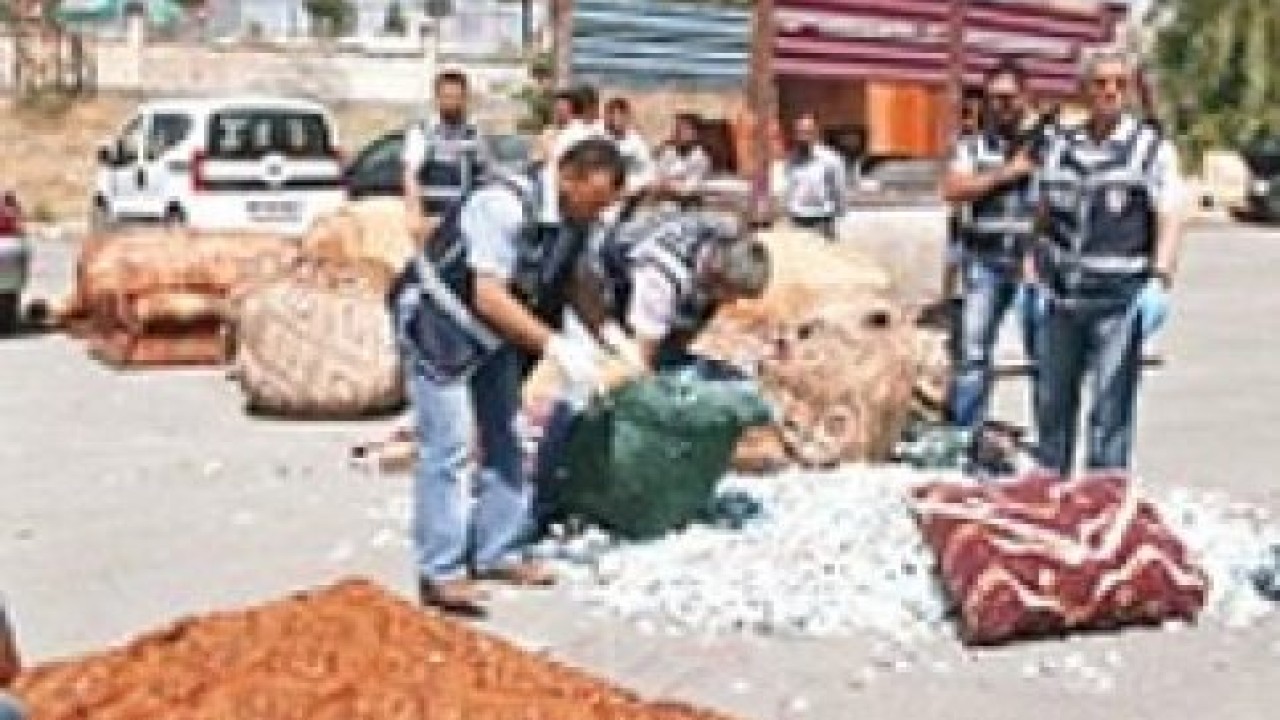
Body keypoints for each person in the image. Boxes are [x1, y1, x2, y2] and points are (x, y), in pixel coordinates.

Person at [392, 138, 629, 617]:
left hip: (491, 334)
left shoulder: (575, 218)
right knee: (450, 444)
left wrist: (610, 334)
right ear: (568, 177)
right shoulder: (503, 204)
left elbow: (576, 280)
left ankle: (497, 550)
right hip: (440, 318)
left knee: (508, 434)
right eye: (593, 202)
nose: (596, 215)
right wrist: (555, 346)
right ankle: (441, 571)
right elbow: (489, 296)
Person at [1030, 51, 1185, 477]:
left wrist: (1160, 280)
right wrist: (1032, 274)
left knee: (1109, 413)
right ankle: (1050, 492)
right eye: (1100, 83)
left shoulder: (1150, 150)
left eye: (1119, 83)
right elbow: (1042, 213)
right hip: (1062, 299)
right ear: (1083, 90)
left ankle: (1103, 498)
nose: (1110, 92)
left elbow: (1171, 215)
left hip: (1119, 304)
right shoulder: (1060, 147)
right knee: (1052, 406)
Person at [941, 60, 1048, 474]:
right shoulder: (973, 147)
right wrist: (1008, 173)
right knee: (972, 356)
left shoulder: (1047, 145)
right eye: (994, 99)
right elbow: (954, 188)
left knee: (1045, 358)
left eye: (1008, 98)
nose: (1001, 106)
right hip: (984, 261)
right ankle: (963, 442)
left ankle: (1051, 448)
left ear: (1025, 97)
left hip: (1032, 263)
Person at [595, 211, 771, 369]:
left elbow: (688, 328)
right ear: (717, 277)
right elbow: (644, 353)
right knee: (628, 355)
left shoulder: (727, 233)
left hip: (667, 264)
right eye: (733, 293)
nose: (733, 302)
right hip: (603, 278)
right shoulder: (663, 277)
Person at [402, 70, 492, 243]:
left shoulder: (474, 132)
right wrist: (415, 214)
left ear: (465, 99)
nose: (452, 103)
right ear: (437, 99)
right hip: (432, 218)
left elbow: (485, 176)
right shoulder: (422, 132)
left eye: (457, 97)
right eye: (447, 97)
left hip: (467, 220)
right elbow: (410, 175)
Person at [777, 114, 847, 240]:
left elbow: (839, 192)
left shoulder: (831, 159)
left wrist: (836, 224)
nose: (803, 136)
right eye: (799, 132)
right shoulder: (790, 160)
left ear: (816, 132)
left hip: (822, 221)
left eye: (807, 132)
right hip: (797, 221)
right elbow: (788, 191)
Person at [602, 97, 655, 215]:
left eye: (618, 116)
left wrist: (631, 190)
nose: (614, 120)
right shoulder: (600, 139)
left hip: (630, 199)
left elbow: (648, 173)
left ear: (626, 117)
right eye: (610, 115)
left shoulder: (637, 143)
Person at [654, 113, 713, 210]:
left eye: (684, 129)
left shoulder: (700, 158)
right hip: (663, 204)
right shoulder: (668, 152)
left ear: (695, 134)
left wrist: (668, 185)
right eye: (676, 128)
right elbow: (656, 179)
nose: (678, 133)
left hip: (688, 207)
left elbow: (688, 189)